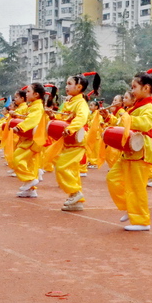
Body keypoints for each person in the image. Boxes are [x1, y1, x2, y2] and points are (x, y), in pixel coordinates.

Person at [107, 71, 152, 231]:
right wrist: (110, 119)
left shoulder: (149, 107)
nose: (132, 90)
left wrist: (125, 116)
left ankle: (142, 221)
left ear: (146, 88)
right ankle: (131, 208)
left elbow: (146, 124)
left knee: (137, 187)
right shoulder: (137, 105)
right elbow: (124, 124)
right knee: (113, 178)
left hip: (141, 150)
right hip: (129, 150)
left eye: (134, 87)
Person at [46, 73, 93, 211]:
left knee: (61, 166)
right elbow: (62, 117)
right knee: (72, 170)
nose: (66, 86)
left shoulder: (81, 103)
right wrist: (53, 116)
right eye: (66, 84)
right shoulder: (69, 101)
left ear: (79, 87)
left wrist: (70, 128)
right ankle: (76, 200)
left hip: (77, 141)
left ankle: (76, 193)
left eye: (69, 84)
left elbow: (82, 118)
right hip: (69, 140)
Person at [12, 83, 47, 198]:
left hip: (32, 140)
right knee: (31, 165)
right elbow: (26, 116)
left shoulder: (38, 107)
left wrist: (20, 127)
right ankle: (31, 190)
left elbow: (32, 119)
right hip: (29, 139)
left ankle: (30, 179)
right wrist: (16, 115)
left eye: (28, 91)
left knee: (17, 158)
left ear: (36, 94)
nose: (26, 94)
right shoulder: (32, 105)